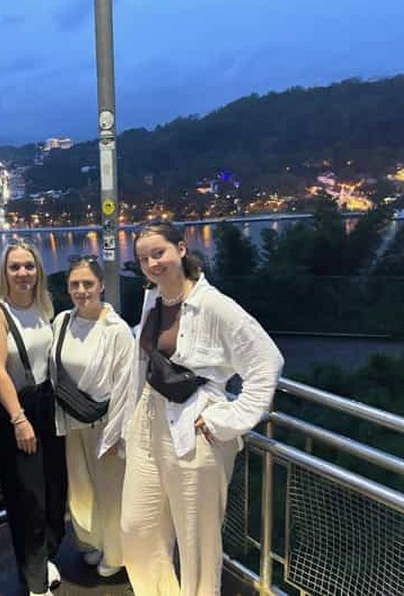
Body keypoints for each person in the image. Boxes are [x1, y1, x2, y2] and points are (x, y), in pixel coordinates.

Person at [121, 221, 284, 596]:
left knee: (197, 541)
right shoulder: (153, 299)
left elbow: (266, 362)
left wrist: (228, 419)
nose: (152, 263)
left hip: (195, 427)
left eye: (159, 253)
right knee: (136, 527)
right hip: (149, 420)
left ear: (181, 249)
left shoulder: (214, 305)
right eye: (144, 258)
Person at [0, 240, 66, 596]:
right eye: (14, 267)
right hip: (16, 411)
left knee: (55, 489)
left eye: (29, 266)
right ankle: (34, 583)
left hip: (47, 404)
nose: (22, 273)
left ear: (38, 270)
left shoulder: (43, 304)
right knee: (27, 498)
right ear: (4, 272)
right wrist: (19, 419)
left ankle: (45, 556)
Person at [49, 255, 135, 578]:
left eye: (88, 283)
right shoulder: (62, 322)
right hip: (72, 422)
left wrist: (117, 436)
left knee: (112, 492)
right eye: (75, 284)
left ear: (101, 285)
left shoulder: (117, 330)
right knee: (81, 489)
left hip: (105, 423)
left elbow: (126, 386)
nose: (81, 290)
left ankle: (117, 552)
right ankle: (89, 542)